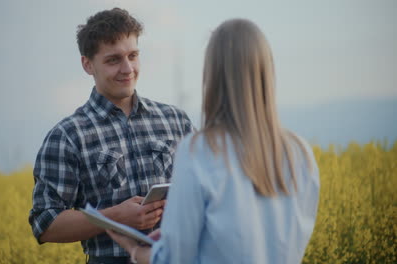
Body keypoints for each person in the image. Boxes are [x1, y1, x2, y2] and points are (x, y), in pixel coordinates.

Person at [107, 18, 320, 264]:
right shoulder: (300, 152)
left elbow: (176, 259)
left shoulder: (199, 151)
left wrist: (136, 250)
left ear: (213, 74)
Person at [28, 8, 194, 264]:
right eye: (113, 60)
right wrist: (115, 216)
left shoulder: (176, 120)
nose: (127, 68)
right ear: (87, 64)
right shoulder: (68, 135)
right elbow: (45, 222)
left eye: (133, 55)